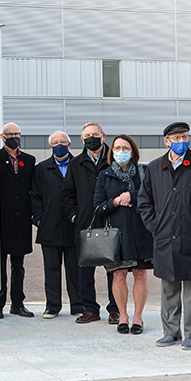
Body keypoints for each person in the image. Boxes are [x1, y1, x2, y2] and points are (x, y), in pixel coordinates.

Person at [137, 122, 191, 350]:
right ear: (166, 141)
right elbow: (144, 201)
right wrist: (155, 225)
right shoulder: (154, 168)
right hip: (164, 237)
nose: (181, 142)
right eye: (177, 138)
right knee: (169, 288)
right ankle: (170, 332)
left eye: (185, 137)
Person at [93, 134, 153, 335]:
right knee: (118, 274)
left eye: (125, 148)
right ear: (112, 152)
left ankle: (138, 317)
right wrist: (116, 201)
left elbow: (154, 197)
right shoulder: (105, 175)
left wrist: (133, 196)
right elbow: (98, 207)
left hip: (142, 231)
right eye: (117, 148)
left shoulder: (144, 172)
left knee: (140, 273)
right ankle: (123, 316)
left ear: (133, 151)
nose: (121, 152)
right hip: (117, 235)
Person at [61, 122, 119, 324]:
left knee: (114, 272)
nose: (91, 138)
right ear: (82, 139)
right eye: (87, 135)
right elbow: (67, 193)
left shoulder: (115, 160)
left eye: (95, 134)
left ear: (104, 136)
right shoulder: (76, 164)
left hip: (111, 224)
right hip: (85, 226)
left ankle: (115, 309)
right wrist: (75, 216)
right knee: (85, 272)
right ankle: (90, 309)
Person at [32, 131, 80, 318]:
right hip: (49, 227)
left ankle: (78, 305)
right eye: (55, 142)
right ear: (50, 146)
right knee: (51, 270)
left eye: (63, 142)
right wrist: (39, 220)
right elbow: (35, 196)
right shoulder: (41, 168)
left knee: (75, 269)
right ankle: (52, 305)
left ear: (69, 145)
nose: (59, 145)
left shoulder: (78, 165)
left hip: (73, 226)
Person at [0, 122, 35, 319]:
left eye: (17, 133)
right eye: (10, 134)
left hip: (22, 220)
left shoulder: (29, 160)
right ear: (2, 137)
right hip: (0, 220)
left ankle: (18, 304)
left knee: (19, 265)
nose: (15, 137)